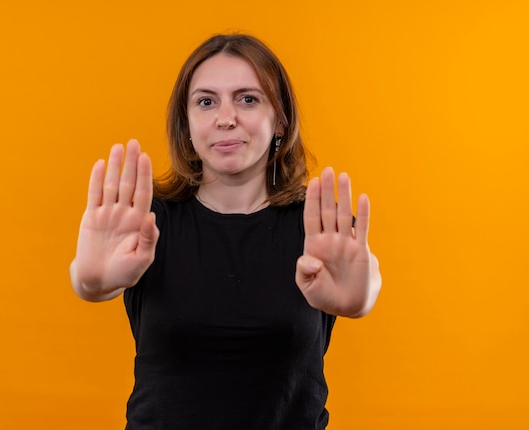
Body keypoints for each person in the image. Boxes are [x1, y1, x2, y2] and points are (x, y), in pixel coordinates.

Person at [70, 33, 381, 430]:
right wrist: (88, 281)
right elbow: (88, 279)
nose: (225, 117)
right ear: (186, 122)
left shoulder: (320, 227)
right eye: (206, 101)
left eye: (248, 98)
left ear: (280, 119)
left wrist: (360, 300)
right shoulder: (144, 223)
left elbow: (366, 280)